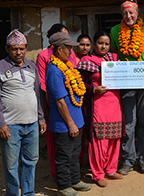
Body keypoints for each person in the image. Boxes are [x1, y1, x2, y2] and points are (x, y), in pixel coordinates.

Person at [0, 29, 46, 195]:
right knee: (11, 164)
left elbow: (37, 94)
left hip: (32, 123)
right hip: (10, 125)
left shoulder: (31, 66)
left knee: (30, 161)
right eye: (14, 49)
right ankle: (13, 193)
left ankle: (28, 193)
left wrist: (41, 117)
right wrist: (1, 123)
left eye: (21, 48)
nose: (18, 52)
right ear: (7, 49)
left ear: (26, 48)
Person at [110, 0, 144, 175]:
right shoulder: (115, 31)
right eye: (125, 13)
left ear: (138, 13)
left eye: (131, 13)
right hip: (126, 84)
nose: (128, 16)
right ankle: (128, 161)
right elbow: (114, 57)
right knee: (129, 124)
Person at [46, 32, 92, 195]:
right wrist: (71, 123)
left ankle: (75, 180)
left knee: (74, 154)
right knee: (64, 156)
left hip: (76, 121)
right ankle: (64, 186)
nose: (72, 52)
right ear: (59, 50)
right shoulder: (54, 70)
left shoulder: (66, 65)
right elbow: (60, 101)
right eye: (69, 49)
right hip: (64, 123)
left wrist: (76, 122)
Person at [76, 31, 124, 187]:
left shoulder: (115, 59)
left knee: (114, 137)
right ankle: (98, 173)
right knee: (99, 140)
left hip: (115, 104)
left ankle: (110, 169)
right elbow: (79, 84)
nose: (103, 46)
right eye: (100, 43)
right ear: (94, 44)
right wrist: (93, 89)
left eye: (106, 44)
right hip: (98, 105)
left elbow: (129, 74)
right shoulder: (86, 61)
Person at [35, 23, 77, 179]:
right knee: (57, 141)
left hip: (71, 102)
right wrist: (47, 106)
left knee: (72, 143)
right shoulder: (44, 56)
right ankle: (57, 174)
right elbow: (42, 83)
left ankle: (72, 175)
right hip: (53, 102)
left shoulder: (69, 53)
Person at [75, 34, 92, 164]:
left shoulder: (92, 60)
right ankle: (78, 161)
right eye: (82, 44)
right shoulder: (72, 59)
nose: (84, 47)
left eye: (87, 45)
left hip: (89, 100)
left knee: (89, 130)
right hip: (74, 100)